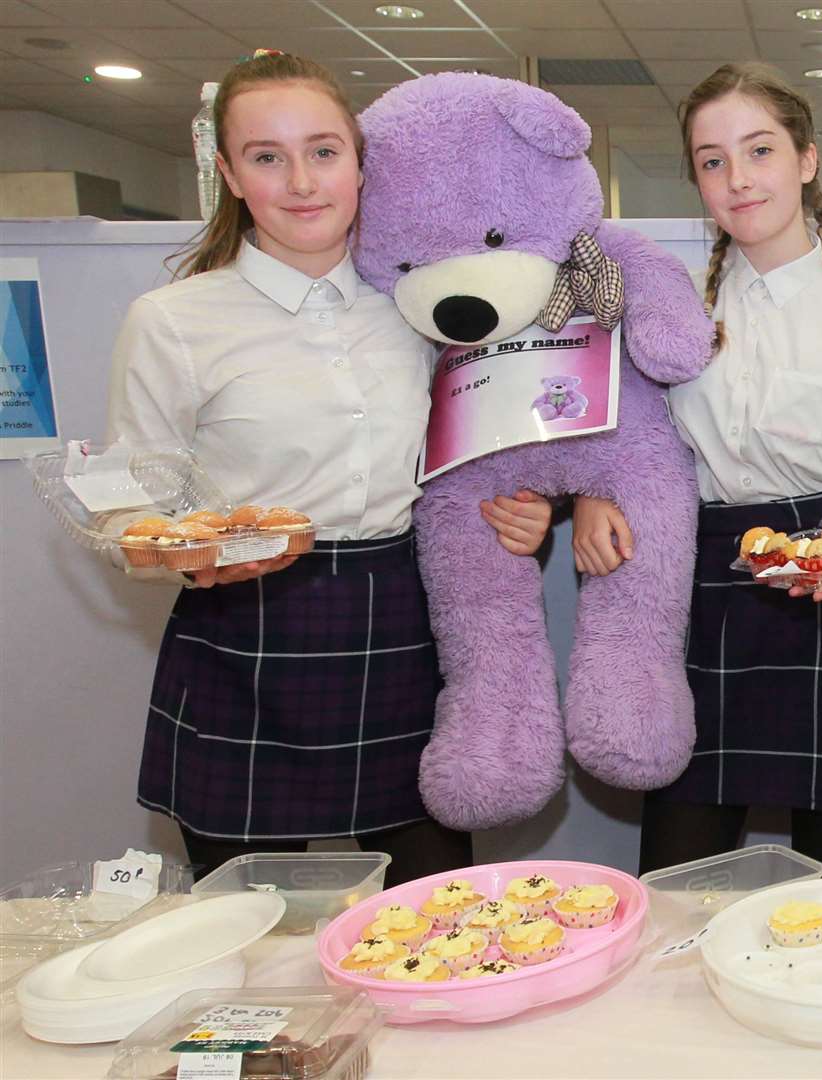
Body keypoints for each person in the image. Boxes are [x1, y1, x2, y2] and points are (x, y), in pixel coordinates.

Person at [105, 51, 550, 885]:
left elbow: (479, 453)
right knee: (246, 929)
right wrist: (160, 547)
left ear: (359, 163)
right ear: (232, 175)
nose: (301, 181)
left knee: (435, 911)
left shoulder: (418, 305)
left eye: (323, 151)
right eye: (267, 157)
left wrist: (528, 512)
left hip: (401, 615)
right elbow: (128, 508)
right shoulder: (172, 321)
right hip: (245, 631)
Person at [562, 63, 822, 877]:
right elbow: (621, 438)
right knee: (673, 879)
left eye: (759, 150)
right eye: (711, 160)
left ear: (805, 160)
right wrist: (593, 491)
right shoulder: (669, 312)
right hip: (706, 591)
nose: (737, 179)